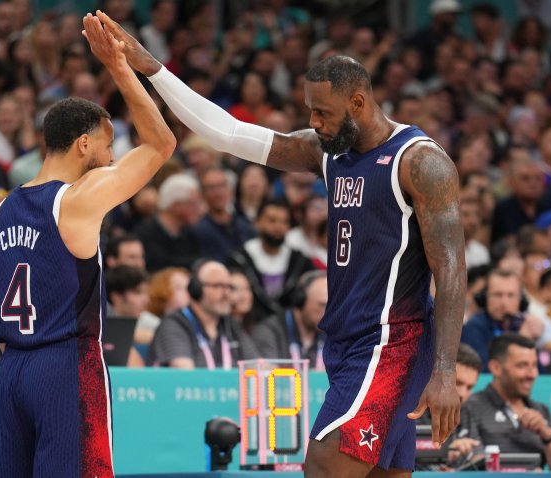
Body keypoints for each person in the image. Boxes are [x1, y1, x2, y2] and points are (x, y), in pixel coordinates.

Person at [98, 12, 465, 475]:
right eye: (310, 110)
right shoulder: (325, 152)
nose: (313, 122)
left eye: (322, 113)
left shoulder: (420, 163)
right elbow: (227, 133)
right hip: (345, 340)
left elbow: (451, 273)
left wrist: (445, 371)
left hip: (391, 342)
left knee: (322, 466)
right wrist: (152, 68)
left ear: (357, 102)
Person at [0, 14, 175, 477]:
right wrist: (118, 66)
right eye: (109, 148)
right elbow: (161, 145)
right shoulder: (76, 199)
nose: (112, 159)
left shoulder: (1, 209)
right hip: (64, 366)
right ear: (84, 143)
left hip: (10, 372)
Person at [458, 333, 551, 470]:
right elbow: (474, 465)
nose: (532, 374)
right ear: (496, 368)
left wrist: (547, 434)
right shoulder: (471, 406)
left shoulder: (541, 410)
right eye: (522, 366)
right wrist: (525, 473)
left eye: (534, 366)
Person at [149, 259, 259, 368]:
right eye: (218, 286)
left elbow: (258, 367)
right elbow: (185, 376)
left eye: (228, 287)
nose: (226, 294)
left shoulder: (230, 325)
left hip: (228, 386)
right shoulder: (173, 325)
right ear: (196, 289)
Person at [252, 270, 327, 369]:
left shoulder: (332, 333)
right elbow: (269, 377)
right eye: (322, 305)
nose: (328, 312)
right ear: (300, 300)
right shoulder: (270, 331)